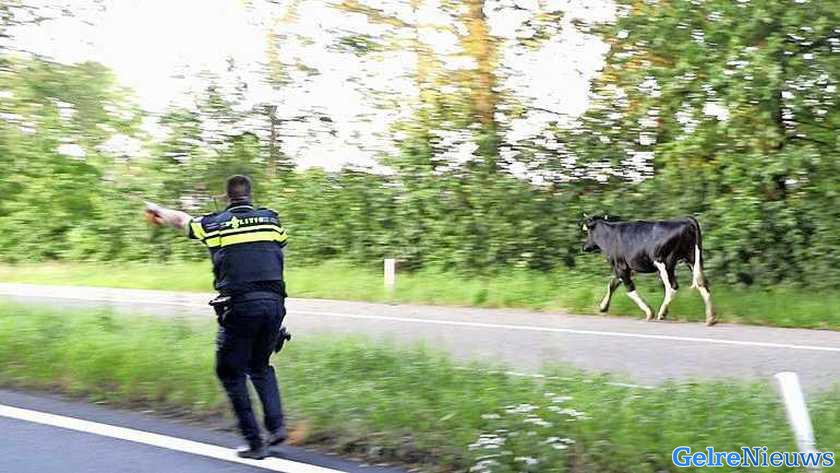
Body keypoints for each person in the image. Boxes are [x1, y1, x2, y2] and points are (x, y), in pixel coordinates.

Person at [145, 175, 288, 459]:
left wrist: (159, 211)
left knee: (230, 372)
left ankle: (255, 443)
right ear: (250, 195)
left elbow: (181, 221)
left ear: (226, 197)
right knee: (259, 366)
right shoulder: (271, 220)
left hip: (240, 305)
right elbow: (272, 252)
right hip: (275, 305)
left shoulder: (215, 223)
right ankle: (276, 426)